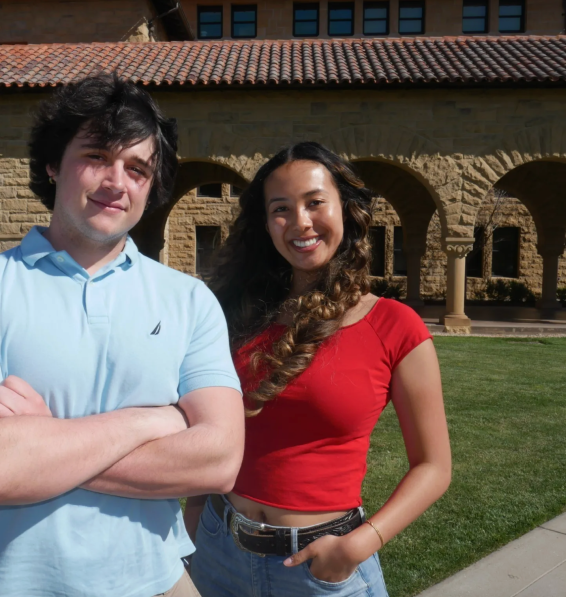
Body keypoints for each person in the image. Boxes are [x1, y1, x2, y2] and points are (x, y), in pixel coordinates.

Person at [0, 74, 244, 597]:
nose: (117, 181)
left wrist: (39, 440)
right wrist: (154, 420)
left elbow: (220, 461)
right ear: (52, 164)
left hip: (157, 581)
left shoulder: (189, 300)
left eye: (137, 168)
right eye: (95, 156)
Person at [186, 142, 452, 597]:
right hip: (218, 551)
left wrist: (356, 547)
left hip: (320, 572)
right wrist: (190, 536)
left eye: (314, 203)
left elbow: (434, 466)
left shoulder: (394, 326)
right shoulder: (237, 317)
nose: (301, 222)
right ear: (266, 224)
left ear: (346, 211)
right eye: (281, 209)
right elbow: (209, 433)